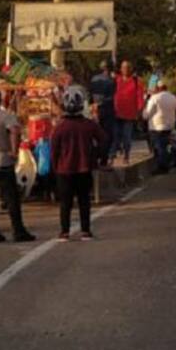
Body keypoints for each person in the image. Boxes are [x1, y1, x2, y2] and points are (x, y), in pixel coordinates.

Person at [0, 89, 35, 244]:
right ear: (0, 101)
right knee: (11, 197)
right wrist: (14, 151)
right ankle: (18, 230)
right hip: (1, 161)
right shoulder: (6, 115)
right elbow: (15, 131)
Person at [50, 87, 103, 241]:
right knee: (84, 201)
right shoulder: (89, 125)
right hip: (84, 168)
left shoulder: (59, 128)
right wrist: (97, 156)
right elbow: (104, 140)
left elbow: (54, 150)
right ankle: (85, 231)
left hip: (64, 170)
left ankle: (64, 232)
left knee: (65, 202)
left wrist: (55, 168)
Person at [111, 60, 146, 164]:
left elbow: (140, 98)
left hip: (129, 115)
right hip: (116, 113)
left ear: (131, 69)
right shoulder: (116, 80)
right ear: (121, 69)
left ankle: (126, 156)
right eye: (123, 67)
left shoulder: (136, 81)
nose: (125, 69)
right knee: (115, 136)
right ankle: (112, 156)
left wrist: (139, 111)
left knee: (127, 137)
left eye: (127, 67)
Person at [142, 81, 176, 173]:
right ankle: (170, 163)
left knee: (159, 147)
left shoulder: (155, 98)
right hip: (170, 125)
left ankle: (162, 167)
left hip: (157, 127)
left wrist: (144, 109)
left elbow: (147, 114)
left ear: (158, 88)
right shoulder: (173, 97)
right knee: (166, 146)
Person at [89, 60, 116, 166]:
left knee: (95, 134)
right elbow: (112, 97)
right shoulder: (111, 81)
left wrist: (94, 104)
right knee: (107, 135)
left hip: (95, 109)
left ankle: (95, 158)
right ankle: (104, 158)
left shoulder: (94, 79)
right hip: (107, 110)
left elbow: (90, 93)